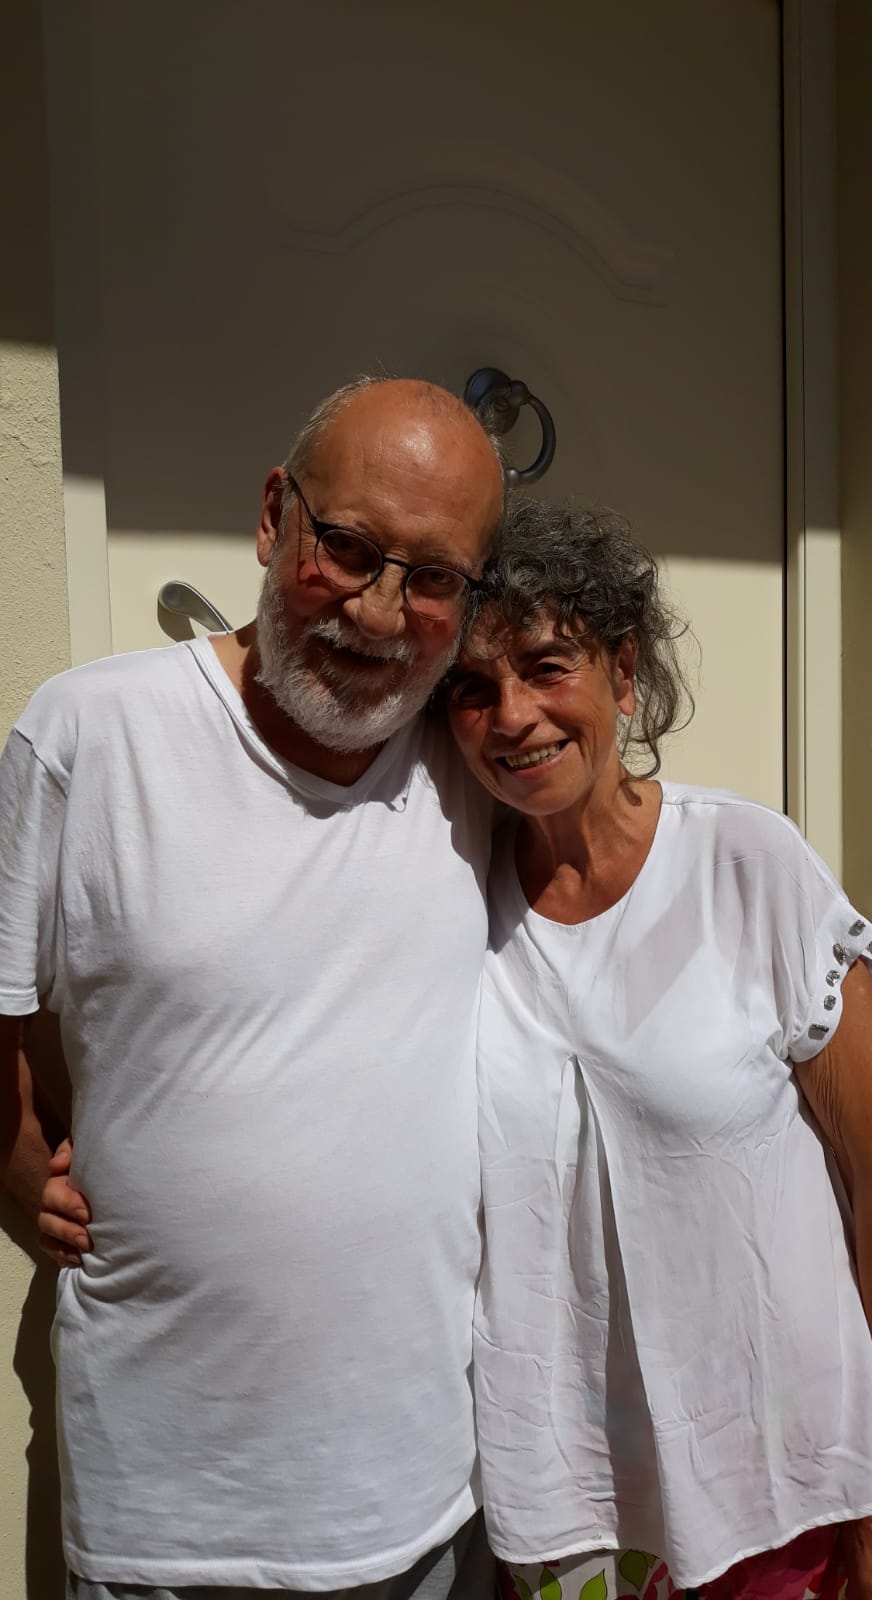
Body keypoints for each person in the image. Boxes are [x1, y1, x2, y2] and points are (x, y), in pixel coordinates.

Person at [0, 377, 505, 1599]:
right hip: (167, 1510)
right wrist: (10, 1160)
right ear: (277, 515)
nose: (380, 612)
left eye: (434, 578)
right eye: (350, 547)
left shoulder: (474, 765)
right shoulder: (89, 735)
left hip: (424, 1499)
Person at [443, 498, 872, 1600]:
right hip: (568, 1505)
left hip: (779, 1489)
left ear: (623, 671)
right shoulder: (454, 902)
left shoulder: (747, 865)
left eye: (547, 666)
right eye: (472, 688)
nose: (513, 716)